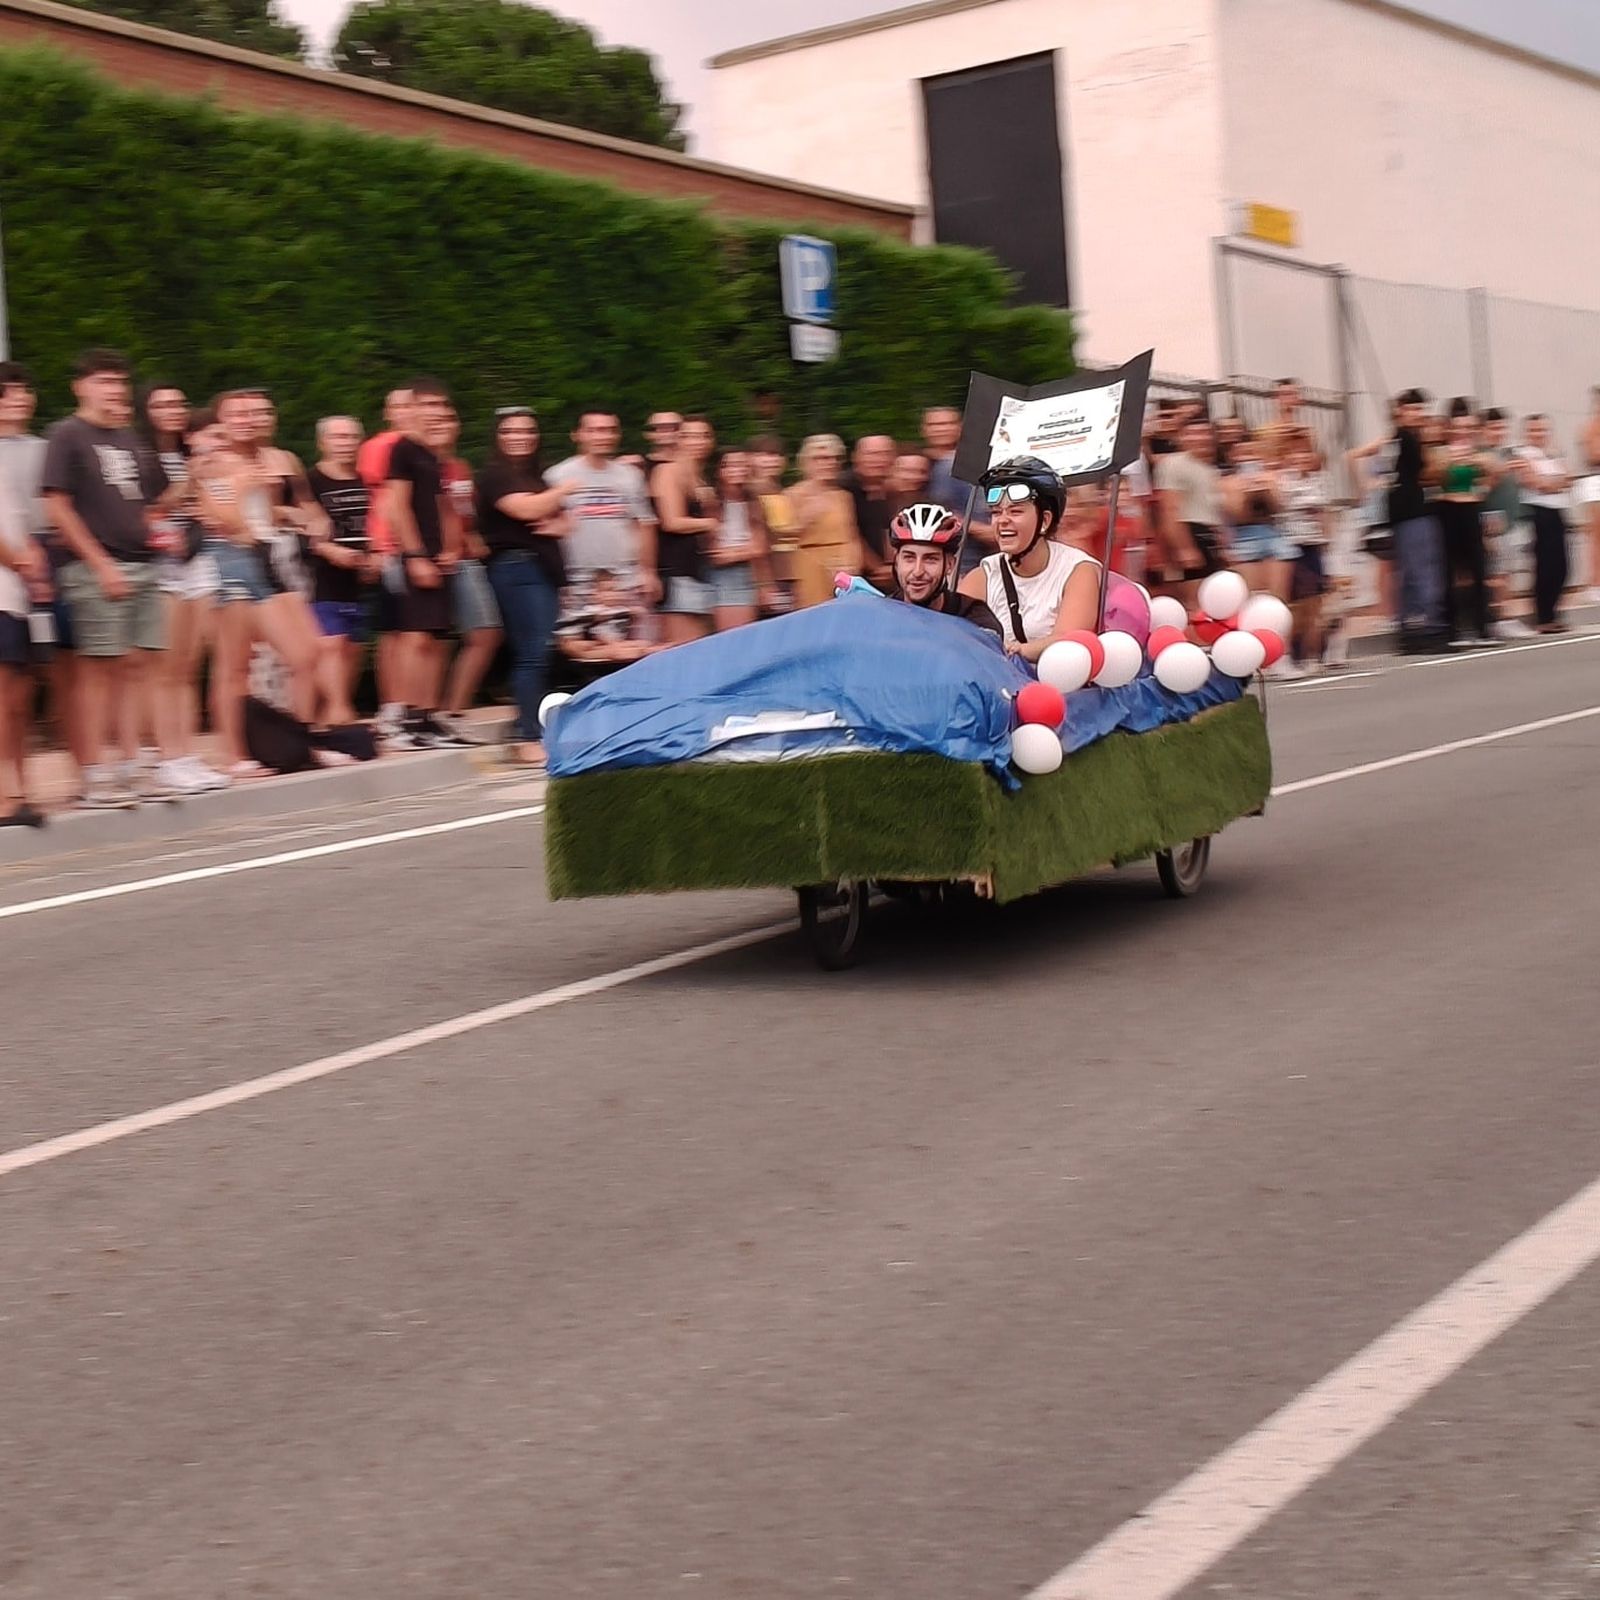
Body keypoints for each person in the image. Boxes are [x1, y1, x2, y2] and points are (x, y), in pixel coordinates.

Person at [41, 349, 184, 808]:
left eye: (120, 382)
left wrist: (162, 533)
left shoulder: (128, 437)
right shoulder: (67, 435)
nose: (114, 390)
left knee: (135, 668)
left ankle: (130, 766)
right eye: (104, 381)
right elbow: (57, 506)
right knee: (97, 672)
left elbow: (143, 506)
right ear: (80, 386)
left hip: (141, 563)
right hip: (95, 567)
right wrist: (99, 564)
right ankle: (95, 776)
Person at [193, 389, 323, 776]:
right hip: (233, 562)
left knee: (307, 655)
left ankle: (299, 742)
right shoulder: (211, 465)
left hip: (269, 557)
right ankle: (233, 755)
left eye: (252, 413)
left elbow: (267, 517)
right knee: (233, 666)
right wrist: (244, 485)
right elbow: (221, 520)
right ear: (218, 422)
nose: (246, 419)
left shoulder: (272, 459)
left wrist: (300, 518)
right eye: (235, 414)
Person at [476, 407, 574, 767]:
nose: (520, 437)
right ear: (498, 437)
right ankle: (527, 735)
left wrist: (555, 513)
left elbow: (563, 522)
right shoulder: (495, 476)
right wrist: (565, 489)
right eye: (511, 431)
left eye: (527, 431)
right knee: (531, 654)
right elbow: (528, 511)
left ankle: (527, 726)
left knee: (539, 652)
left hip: (541, 570)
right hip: (517, 569)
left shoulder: (535, 476)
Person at [142, 385, 229, 791]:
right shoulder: (138, 455)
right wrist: (187, 484)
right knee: (167, 669)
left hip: (196, 560)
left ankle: (187, 755)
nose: (171, 411)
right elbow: (148, 512)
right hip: (162, 567)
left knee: (190, 668)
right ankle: (167, 757)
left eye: (178, 403)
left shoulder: (188, 454)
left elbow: (212, 512)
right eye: (161, 405)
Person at [380, 378, 469, 748]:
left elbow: (443, 507)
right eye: (429, 405)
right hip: (415, 555)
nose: (437, 413)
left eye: (442, 407)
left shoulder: (433, 455)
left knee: (435, 638)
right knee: (415, 639)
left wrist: (450, 549)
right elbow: (396, 505)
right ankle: (408, 719)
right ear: (412, 408)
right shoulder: (402, 450)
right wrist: (414, 555)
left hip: (438, 556)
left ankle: (429, 717)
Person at [958, 456, 1098, 660]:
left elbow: (1069, 639)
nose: (1002, 521)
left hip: (1056, 685)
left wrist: (1017, 651)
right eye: (996, 513)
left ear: (1045, 520)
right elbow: (956, 637)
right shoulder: (983, 575)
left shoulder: (1077, 570)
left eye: (1015, 512)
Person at [550, 407, 659, 626]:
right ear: (577, 434)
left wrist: (648, 572)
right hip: (577, 578)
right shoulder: (557, 475)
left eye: (610, 430)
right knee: (582, 647)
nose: (604, 436)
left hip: (626, 578)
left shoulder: (630, 476)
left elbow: (644, 525)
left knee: (635, 647)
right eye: (595, 430)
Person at [306, 415, 374, 726]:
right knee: (331, 644)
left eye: (351, 437)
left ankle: (333, 714)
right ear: (322, 443)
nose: (346, 443)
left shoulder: (368, 480)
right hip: (322, 575)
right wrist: (327, 549)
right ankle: (337, 712)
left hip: (363, 575)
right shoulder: (309, 481)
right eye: (338, 437)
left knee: (354, 648)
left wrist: (377, 555)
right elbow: (297, 524)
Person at [438, 409, 503, 736]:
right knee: (435, 639)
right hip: (440, 559)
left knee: (485, 633)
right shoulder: (420, 467)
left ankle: (452, 710)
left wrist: (471, 536)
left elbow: (461, 512)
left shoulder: (458, 466)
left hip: (463, 559)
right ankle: (439, 712)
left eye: (450, 420)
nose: (444, 428)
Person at [358, 387, 413, 742]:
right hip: (391, 547)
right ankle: (392, 706)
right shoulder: (380, 447)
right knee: (394, 634)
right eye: (400, 406)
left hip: (411, 547)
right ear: (388, 412)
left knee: (413, 634)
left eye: (413, 404)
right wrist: (379, 545)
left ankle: (408, 704)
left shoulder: (420, 447)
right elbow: (378, 500)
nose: (407, 411)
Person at [646, 412, 715, 643]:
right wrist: (711, 523)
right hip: (676, 573)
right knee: (684, 651)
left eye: (704, 436)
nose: (698, 442)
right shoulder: (667, 471)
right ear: (679, 439)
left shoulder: (701, 478)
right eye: (690, 436)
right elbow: (672, 521)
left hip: (701, 571)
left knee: (705, 645)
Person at [1388, 389, 1447, 653]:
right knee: (1422, 571)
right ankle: (1428, 627)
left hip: (1418, 510)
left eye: (1420, 409)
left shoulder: (1410, 438)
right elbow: (1429, 470)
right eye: (1411, 409)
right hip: (1411, 512)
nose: (1417, 415)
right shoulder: (1404, 439)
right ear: (1400, 411)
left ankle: (1412, 629)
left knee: (1416, 572)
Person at [884, 503, 1001, 636]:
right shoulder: (883, 613)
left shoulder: (976, 620)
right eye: (909, 558)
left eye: (930, 559)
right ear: (897, 561)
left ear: (950, 565)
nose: (918, 572)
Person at [1434, 403, 1495, 648]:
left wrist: (1483, 486)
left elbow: (1494, 472)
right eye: (1459, 426)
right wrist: (1449, 462)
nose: (1463, 431)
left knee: (1479, 568)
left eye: (1468, 427)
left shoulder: (1478, 453)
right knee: (1449, 570)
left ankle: (1482, 626)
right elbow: (1433, 477)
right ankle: (1451, 628)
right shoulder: (1441, 452)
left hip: (1471, 508)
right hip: (1449, 509)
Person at [1153, 416, 1226, 603]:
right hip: (1190, 532)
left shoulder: (1210, 469)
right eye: (1193, 433)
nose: (1200, 438)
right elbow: (1169, 508)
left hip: (1210, 536)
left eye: (1205, 432)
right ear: (1182, 437)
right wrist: (1184, 548)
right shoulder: (1174, 464)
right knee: (1196, 603)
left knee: (1215, 602)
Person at [1278, 431, 1333, 672]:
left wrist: (1326, 536)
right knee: (1298, 605)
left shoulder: (1315, 482)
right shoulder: (1282, 482)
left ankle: (1312, 656)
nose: (1300, 456)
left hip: (1314, 546)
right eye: (1294, 452)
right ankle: (1293, 654)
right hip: (1293, 546)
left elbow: (1323, 513)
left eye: (1305, 451)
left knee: (1315, 604)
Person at [788, 434, 863, 608]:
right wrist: (805, 517)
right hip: (808, 570)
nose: (829, 463)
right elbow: (783, 539)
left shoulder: (843, 497)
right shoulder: (792, 495)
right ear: (805, 462)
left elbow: (852, 537)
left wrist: (853, 566)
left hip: (841, 568)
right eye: (820, 458)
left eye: (834, 458)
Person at [1479, 408, 1533, 640]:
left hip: (1513, 520)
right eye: (1493, 427)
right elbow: (1480, 491)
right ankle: (1499, 618)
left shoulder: (1509, 453)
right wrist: (1498, 473)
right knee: (1496, 573)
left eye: (1502, 427)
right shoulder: (1480, 455)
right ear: (1483, 430)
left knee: (1507, 572)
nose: (1498, 432)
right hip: (1492, 520)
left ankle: (1505, 616)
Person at [706, 448, 774, 632]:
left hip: (749, 575)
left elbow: (761, 549)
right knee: (730, 637)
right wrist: (747, 550)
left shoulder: (754, 503)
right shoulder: (711, 502)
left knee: (747, 635)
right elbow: (717, 555)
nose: (739, 469)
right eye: (732, 464)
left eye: (743, 464)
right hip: (723, 577)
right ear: (720, 470)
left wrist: (766, 585)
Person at [553, 567, 661, 684]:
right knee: (618, 650)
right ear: (595, 594)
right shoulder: (591, 612)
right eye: (607, 590)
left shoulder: (622, 611)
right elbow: (599, 635)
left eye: (615, 590)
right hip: (599, 651)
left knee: (641, 645)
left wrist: (636, 616)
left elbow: (628, 633)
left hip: (613, 646)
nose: (612, 595)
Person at [1516, 415, 1572, 633]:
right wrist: (1554, 482)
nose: (1539, 434)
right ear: (1527, 433)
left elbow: (1568, 479)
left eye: (1542, 430)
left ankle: (1554, 611)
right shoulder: (1523, 454)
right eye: (1534, 430)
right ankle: (1543, 615)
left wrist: (1554, 482)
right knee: (1546, 565)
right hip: (1539, 511)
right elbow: (1535, 483)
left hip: (1558, 510)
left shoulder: (1553, 453)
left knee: (1562, 566)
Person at [1222, 433, 1292, 605]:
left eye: (1252, 452)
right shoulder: (1228, 482)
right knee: (1250, 599)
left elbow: (1279, 509)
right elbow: (1236, 515)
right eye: (1243, 453)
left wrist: (1267, 491)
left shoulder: (1271, 477)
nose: (1248, 458)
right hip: (1244, 538)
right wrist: (1245, 494)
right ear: (1234, 456)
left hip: (1272, 536)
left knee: (1277, 599)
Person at [845, 434, 896, 590]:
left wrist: (894, 565)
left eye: (885, 454)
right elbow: (850, 532)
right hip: (855, 578)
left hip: (889, 575)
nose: (879, 460)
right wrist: (877, 567)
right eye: (872, 454)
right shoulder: (845, 489)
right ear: (856, 457)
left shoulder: (892, 490)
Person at [1577, 388, 1600, 605]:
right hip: (1596, 480)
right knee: (1596, 533)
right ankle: (1595, 583)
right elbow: (1594, 454)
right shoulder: (1592, 427)